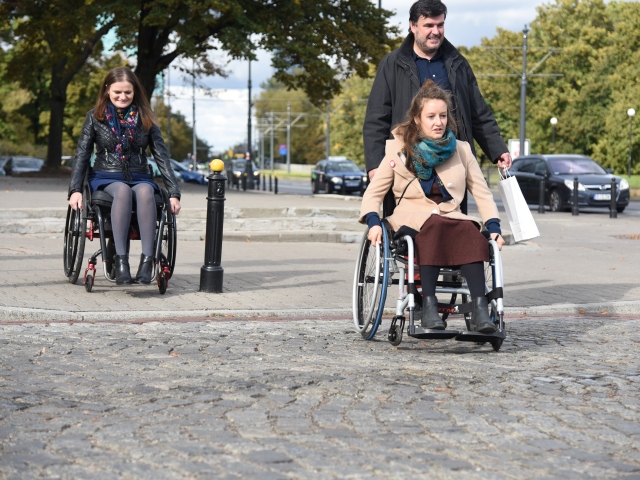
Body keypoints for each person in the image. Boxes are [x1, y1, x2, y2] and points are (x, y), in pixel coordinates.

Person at [359, 80, 504, 333]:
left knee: (470, 230)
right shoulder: (398, 150)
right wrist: (373, 222)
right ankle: (428, 306)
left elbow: (482, 192)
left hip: (449, 217)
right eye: (431, 116)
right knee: (435, 225)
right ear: (417, 119)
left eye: (443, 116)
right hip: (410, 220)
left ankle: (481, 309)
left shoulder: (462, 150)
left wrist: (493, 225)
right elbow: (373, 194)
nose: (439, 122)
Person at [363, 0, 512, 187]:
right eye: (429, 25)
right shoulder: (392, 64)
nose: (436, 31)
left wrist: (498, 150)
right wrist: (375, 165)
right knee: (405, 217)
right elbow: (376, 119)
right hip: (405, 165)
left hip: (452, 166)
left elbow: (478, 112)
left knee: (452, 217)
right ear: (413, 26)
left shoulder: (458, 63)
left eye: (440, 25)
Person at [68, 66, 181, 285]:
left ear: (135, 92)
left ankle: (148, 262)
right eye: (118, 92)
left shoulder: (146, 117)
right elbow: (82, 154)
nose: (123, 96)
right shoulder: (95, 117)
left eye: (127, 92)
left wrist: (174, 193)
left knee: (147, 191)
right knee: (121, 190)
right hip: (105, 175)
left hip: (140, 176)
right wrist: (74, 190)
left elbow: (161, 157)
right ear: (108, 89)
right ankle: (121, 262)